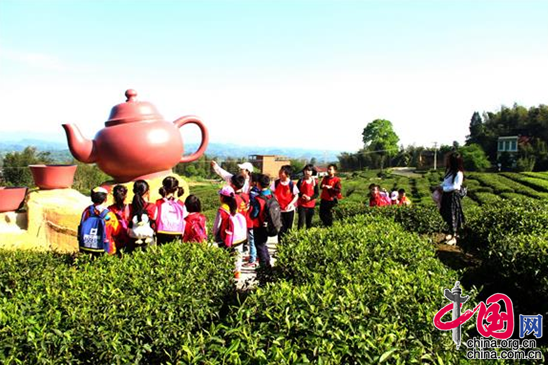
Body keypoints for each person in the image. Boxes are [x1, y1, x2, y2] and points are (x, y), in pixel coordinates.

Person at [213, 185, 247, 279]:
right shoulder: (235, 206)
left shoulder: (222, 209)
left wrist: (215, 234)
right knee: (237, 254)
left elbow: (217, 225)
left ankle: (226, 272)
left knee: (226, 255)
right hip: (237, 236)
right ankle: (237, 272)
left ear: (223, 197)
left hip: (226, 236)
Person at [78, 186, 120, 255]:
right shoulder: (109, 215)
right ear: (105, 199)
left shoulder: (86, 211)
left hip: (86, 248)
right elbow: (116, 231)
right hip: (106, 249)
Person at [440, 152, 465, 246]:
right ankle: (450, 233)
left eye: (449, 160)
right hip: (446, 195)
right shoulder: (449, 171)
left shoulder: (458, 173)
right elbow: (445, 182)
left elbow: (456, 186)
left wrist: (443, 189)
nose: (447, 161)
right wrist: (440, 186)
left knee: (453, 215)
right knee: (446, 214)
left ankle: (454, 237)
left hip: (453, 196)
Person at [155, 176, 187, 245]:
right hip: (177, 232)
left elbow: (154, 217)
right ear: (176, 189)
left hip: (161, 231)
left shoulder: (159, 203)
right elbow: (185, 217)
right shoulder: (181, 204)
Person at [250, 174, 273, 268]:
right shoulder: (271, 195)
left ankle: (264, 267)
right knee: (263, 244)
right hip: (269, 224)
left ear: (258, 184)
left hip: (259, 225)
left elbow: (254, 214)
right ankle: (268, 262)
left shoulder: (258, 199)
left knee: (259, 246)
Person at [271, 165, 299, 242]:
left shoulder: (292, 184)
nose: (279, 173)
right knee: (280, 229)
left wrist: (290, 204)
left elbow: (296, 196)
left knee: (289, 229)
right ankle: (280, 247)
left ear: (287, 174)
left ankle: (287, 245)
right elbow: (272, 193)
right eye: (279, 171)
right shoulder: (276, 183)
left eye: (282, 172)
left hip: (289, 210)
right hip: (279, 210)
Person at [128, 180, 157, 250]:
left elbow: (127, 219)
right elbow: (154, 220)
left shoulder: (129, 207)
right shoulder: (152, 206)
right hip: (149, 239)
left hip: (133, 238)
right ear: (147, 192)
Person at [108, 184, 130, 251]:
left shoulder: (109, 209)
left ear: (113, 196)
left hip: (114, 239)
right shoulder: (129, 208)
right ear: (125, 196)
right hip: (128, 238)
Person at [296, 164, 319, 229]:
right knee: (301, 222)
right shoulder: (301, 181)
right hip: (301, 204)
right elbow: (296, 191)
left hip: (311, 205)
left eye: (309, 170)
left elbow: (316, 193)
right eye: (306, 170)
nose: (307, 172)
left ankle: (307, 236)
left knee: (309, 223)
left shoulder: (315, 182)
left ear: (312, 172)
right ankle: (299, 236)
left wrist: (310, 198)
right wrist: (302, 195)